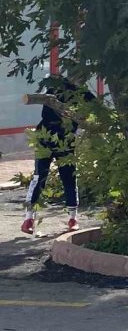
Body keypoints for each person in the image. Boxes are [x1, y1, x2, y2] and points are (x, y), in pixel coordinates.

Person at [21, 75, 94, 235]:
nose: (80, 79)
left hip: (66, 140)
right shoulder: (55, 88)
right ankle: (28, 218)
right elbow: (46, 112)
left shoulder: (85, 95)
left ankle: (73, 218)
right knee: (39, 177)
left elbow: (93, 112)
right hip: (46, 137)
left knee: (69, 176)